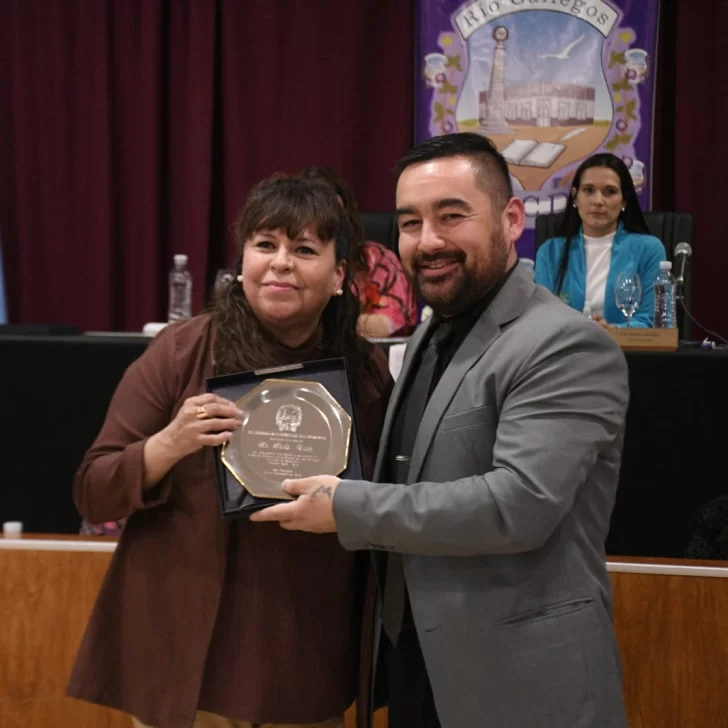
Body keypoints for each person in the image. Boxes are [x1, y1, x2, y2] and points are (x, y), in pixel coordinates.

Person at [253, 133, 630, 728]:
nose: (428, 240)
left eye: (452, 216)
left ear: (511, 219)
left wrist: (347, 505)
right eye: (410, 222)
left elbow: (517, 505)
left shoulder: (565, 344)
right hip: (418, 665)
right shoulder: (434, 330)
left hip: (522, 680)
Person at [67, 176, 393, 728]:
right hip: (190, 655)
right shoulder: (182, 352)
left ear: (339, 276)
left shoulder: (364, 372)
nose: (280, 263)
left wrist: (347, 504)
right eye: (265, 244)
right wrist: (168, 444)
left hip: (305, 656)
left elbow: (389, 500)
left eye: (304, 249)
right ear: (243, 262)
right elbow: (93, 491)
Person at [535, 152, 666, 327]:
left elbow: (653, 321)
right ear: (575, 197)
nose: (598, 201)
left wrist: (612, 331)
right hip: (565, 344)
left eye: (610, 192)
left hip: (624, 345)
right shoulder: (550, 252)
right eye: (588, 190)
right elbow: (541, 319)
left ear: (624, 201)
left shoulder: (649, 250)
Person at [300, 166, 418, 338]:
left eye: (335, 215)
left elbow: (396, 320)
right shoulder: (287, 261)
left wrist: (326, 325)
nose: (327, 225)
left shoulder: (376, 259)